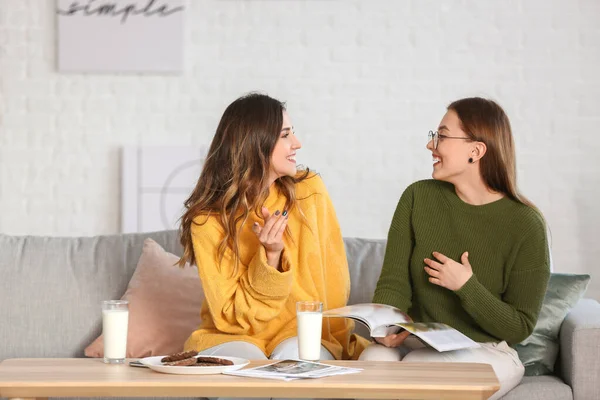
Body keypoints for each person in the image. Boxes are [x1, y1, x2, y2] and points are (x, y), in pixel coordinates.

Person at [359, 97, 550, 400]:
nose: (431, 145)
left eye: (442, 136)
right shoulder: (418, 197)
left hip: (487, 351)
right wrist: (387, 327)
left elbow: (520, 326)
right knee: (372, 363)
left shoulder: (525, 224)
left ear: (476, 151)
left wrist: (466, 286)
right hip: (420, 344)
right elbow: (394, 281)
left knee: (423, 373)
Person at [178, 93, 368, 366]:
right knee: (246, 365)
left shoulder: (309, 192)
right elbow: (230, 317)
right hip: (234, 337)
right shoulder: (207, 221)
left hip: (300, 334)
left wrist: (334, 339)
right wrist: (270, 259)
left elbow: (333, 281)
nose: (297, 144)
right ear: (256, 142)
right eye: (285, 135)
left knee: (295, 358)